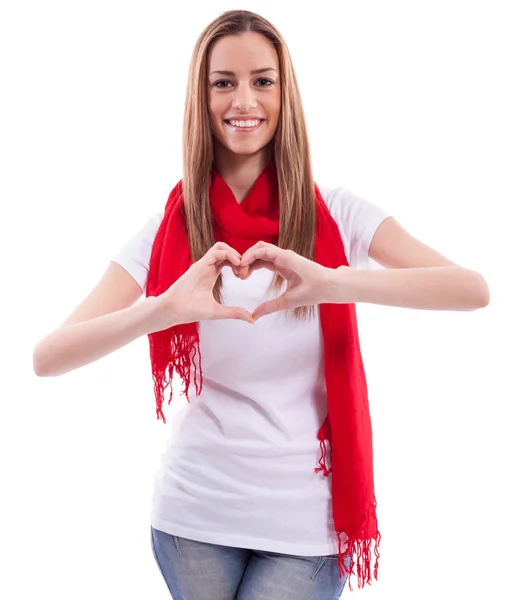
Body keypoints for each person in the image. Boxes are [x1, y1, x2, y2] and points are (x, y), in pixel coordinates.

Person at [32, 9, 490, 600]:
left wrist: (334, 283)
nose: (243, 99)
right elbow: (48, 357)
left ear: (284, 91)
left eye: (262, 80)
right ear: (203, 96)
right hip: (193, 515)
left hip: (307, 521)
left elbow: (470, 289)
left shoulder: (339, 214)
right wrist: (164, 309)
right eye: (224, 81)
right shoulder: (169, 228)